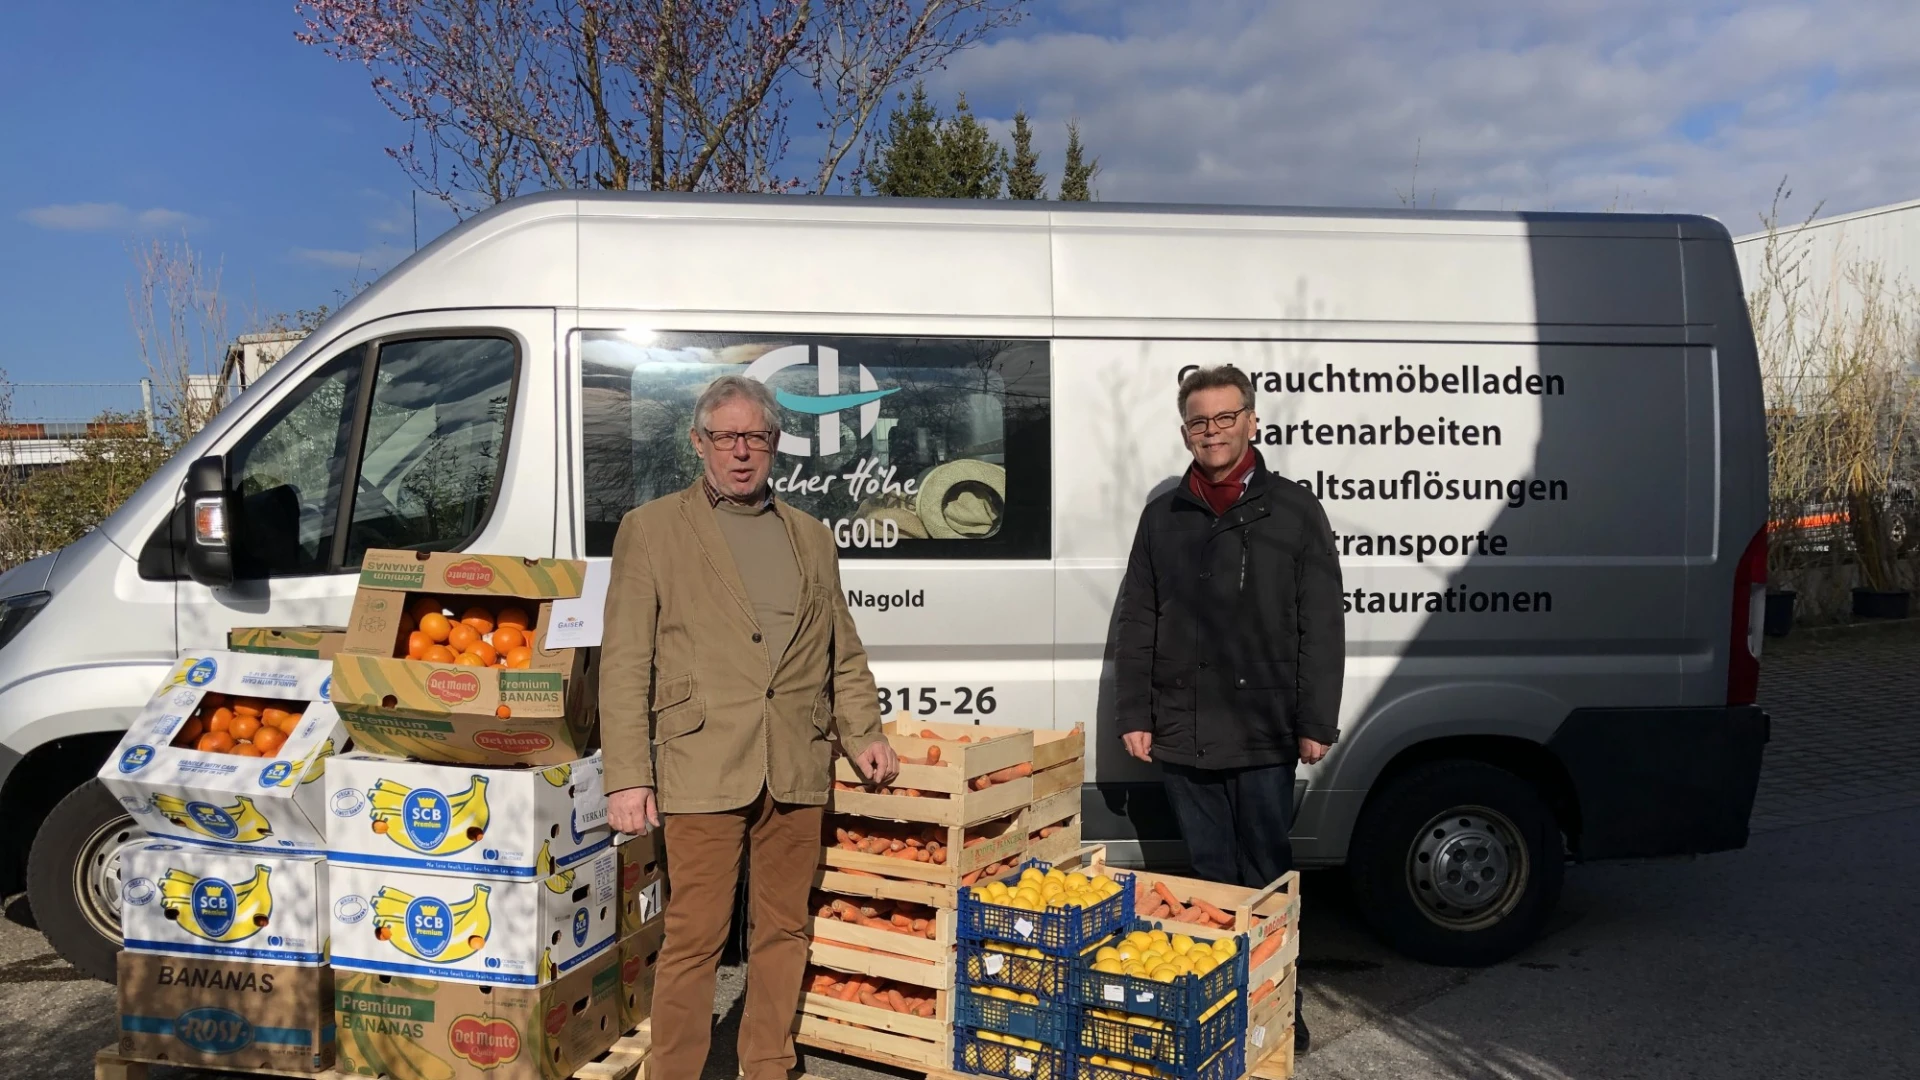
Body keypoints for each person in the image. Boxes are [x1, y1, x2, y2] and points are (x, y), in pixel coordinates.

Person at [600, 374, 900, 1080]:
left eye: (756, 438)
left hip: (794, 760)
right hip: (702, 762)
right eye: (727, 437)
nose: (742, 453)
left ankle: (767, 1062)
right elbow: (623, 663)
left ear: (775, 445)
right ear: (698, 442)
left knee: (785, 929)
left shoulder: (810, 537)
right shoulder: (652, 529)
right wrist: (628, 776)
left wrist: (864, 734)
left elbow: (842, 650)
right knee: (694, 937)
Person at [1113, 363, 1344, 1054]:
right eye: (1198, 421)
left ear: (1250, 421)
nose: (1211, 432)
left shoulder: (1294, 510)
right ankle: (1224, 1006)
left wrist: (1313, 722)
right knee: (1209, 883)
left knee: (1266, 877)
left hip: (1263, 729)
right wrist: (1136, 713)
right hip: (1182, 732)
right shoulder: (1164, 515)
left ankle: (1280, 1001)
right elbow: (1138, 620)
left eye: (1223, 418)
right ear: (1184, 430)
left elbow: (1321, 623)